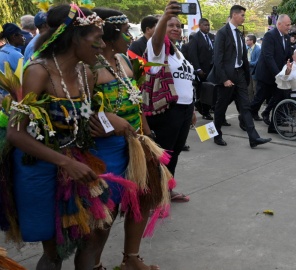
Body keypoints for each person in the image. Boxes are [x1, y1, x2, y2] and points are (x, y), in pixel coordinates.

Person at [2, 4, 124, 269]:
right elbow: (15, 133)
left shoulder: (87, 74)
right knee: (53, 252)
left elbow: (88, 116)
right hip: (39, 166)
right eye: (97, 39)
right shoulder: (38, 71)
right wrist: (66, 163)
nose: (102, 46)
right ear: (74, 37)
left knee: (93, 238)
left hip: (79, 163)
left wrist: (110, 125)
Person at [90, 8, 173, 270]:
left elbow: (137, 103)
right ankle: (93, 264)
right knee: (107, 212)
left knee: (143, 197)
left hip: (137, 142)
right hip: (107, 148)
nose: (130, 37)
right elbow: (85, 113)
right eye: (126, 32)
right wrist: (109, 124)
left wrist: (146, 133)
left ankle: (131, 258)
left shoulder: (124, 60)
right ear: (110, 35)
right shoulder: (89, 67)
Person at [146, 1, 196, 201]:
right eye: (170, 25)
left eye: (178, 25)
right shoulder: (157, 50)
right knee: (163, 156)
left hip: (184, 109)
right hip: (168, 110)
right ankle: (155, 196)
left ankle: (167, 190)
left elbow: (187, 83)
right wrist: (165, 16)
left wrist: (192, 110)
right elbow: (157, 40)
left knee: (173, 154)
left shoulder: (179, 53)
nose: (175, 28)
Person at [207, 4, 271, 148]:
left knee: (245, 106)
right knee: (220, 107)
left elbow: (242, 56)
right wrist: (224, 79)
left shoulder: (239, 33)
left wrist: (245, 74)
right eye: (242, 15)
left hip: (240, 75)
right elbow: (218, 58)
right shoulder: (222, 33)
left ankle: (253, 138)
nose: (244, 18)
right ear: (234, 15)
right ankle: (216, 134)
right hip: (227, 77)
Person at [250, 14, 292, 132]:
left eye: (290, 24)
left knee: (278, 97)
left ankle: (273, 125)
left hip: (278, 75)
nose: (289, 27)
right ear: (279, 24)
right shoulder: (270, 36)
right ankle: (245, 116)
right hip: (266, 75)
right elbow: (268, 57)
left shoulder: (287, 37)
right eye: (287, 25)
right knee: (259, 99)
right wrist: (278, 74)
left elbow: (288, 55)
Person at [188, 18, 215, 119]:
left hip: (212, 69)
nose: (207, 27)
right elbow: (193, 54)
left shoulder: (212, 37)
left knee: (211, 90)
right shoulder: (195, 37)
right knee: (203, 91)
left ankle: (207, 107)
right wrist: (198, 69)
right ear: (200, 26)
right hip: (202, 70)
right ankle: (205, 111)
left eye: (208, 25)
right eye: (205, 25)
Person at [0, 23, 25, 100]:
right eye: (21, 35)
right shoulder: (17, 56)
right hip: (14, 99)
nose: (24, 38)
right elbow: (25, 77)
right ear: (14, 36)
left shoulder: (2, 51)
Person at [246, 34, 261, 102]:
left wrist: (248, 63)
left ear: (252, 41)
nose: (246, 41)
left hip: (255, 73)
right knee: (249, 90)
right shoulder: (247, 48)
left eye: (247, 40)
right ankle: (250, 105)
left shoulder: (258, 49)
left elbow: (257, 62)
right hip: (248, 72)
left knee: (255, 90)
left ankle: (255, 105)